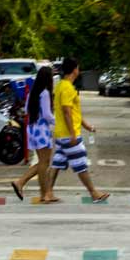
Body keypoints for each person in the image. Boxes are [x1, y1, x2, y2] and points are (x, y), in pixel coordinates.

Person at [41, 57, 109, 203]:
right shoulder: (67, 88)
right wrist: (73, 133)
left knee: (57, 163)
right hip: (68, 134)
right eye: (78, 67)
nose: (78, 70)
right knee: (81, 164)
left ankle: (48, 193)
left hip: (60, 133)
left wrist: (86, 126)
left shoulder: (60, 86)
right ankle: (93, 193)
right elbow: (67, 111)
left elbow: (74, 112)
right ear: (74, 70)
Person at [11, 64, 58, 202]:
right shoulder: (45, 93)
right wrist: (58, 122)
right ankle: (27, 185)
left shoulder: (33, 92)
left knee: (43, 162)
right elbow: (48, 115)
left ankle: (45, 193)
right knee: (44, 163)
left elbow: (26, 110)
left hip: (32, 128)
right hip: (42, 129)